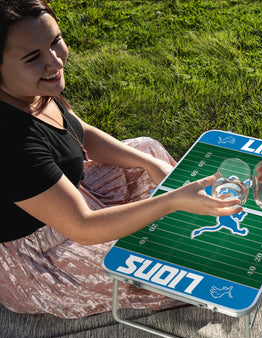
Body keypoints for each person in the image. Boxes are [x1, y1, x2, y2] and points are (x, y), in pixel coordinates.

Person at [0, 0, 241, 318]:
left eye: (55, 41)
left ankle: (187, 216)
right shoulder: (10, 142)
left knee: (146, 150)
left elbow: (79, 132)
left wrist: (150, 164)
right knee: (164, 265)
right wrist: (171, 202)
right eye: (34, 58)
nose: (55, 60)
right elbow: (83, 227)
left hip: (73, 197)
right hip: (40, 256)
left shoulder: (31, 90)